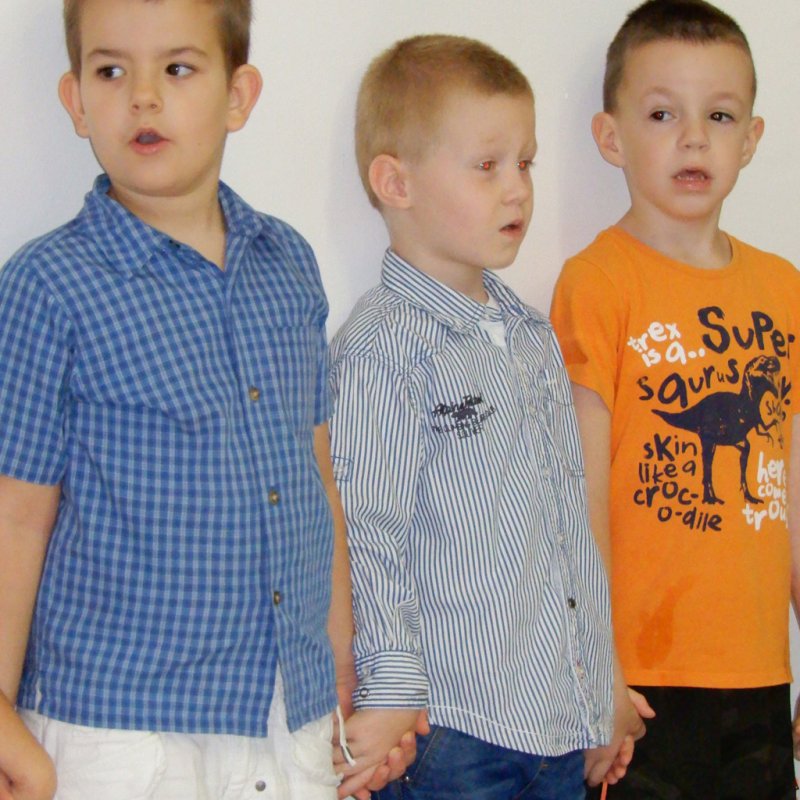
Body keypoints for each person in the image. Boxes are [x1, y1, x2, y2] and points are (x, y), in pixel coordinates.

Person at [0, 2, 411, 798]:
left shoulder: (287, 263)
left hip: (285, 718)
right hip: (119, 729)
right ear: (76, 102)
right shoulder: (48, 285)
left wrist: (341, 669)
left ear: (238, 96)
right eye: (111, 71)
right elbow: (15, 514)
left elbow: (315, 476)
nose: (143, 96)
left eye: (178, 68)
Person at [328, 34, 645, 800]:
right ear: (395, 182)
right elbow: (368, 532)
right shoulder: (382, 346)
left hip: (554, 728)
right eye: (487, 166)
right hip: (449, 731)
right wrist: (390, 687)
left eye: (525, 164)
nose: (517, 191)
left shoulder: (532, 336)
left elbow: (570, 531)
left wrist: (599, 686)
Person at [550, 1, 800, 797]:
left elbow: (791, 481)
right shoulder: (598, 282)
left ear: (750, 139)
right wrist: (597, 667)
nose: (694, 138)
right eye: (663, 114)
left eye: (718, 115)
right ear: (611, 137)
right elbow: (578, 489)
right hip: (641, 683)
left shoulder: (784, 288)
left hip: (760, 673)